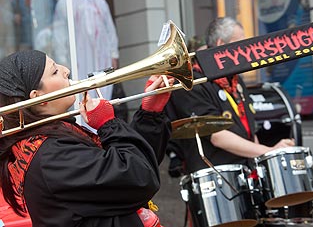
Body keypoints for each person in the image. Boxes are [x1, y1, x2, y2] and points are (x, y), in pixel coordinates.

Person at [0, 50, 174, 227]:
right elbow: (138, 179)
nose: (66, 70)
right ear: (38, 97)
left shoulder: (52, 140)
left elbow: (134, 166)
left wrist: (150, 114)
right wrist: (108, 124)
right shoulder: (51, 156)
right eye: (54, 71)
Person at [165, 17, 295, 176]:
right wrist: (268, 151)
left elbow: (248, 130)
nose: (244, 51)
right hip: (218, 178)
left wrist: (260, 164)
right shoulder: (192, 82)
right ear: (221, 45)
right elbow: (217, 136)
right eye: (239, 44)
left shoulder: (234, 79)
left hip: (245, 170)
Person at [52, 0, 124, 108]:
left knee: (103, 91)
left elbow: (109, 30)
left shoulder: (99, 1)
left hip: (102, 56)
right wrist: (62, 61)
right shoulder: (65, 3)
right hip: (78, 59)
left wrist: (113, 54)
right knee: (82, 94)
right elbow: (59, 36)